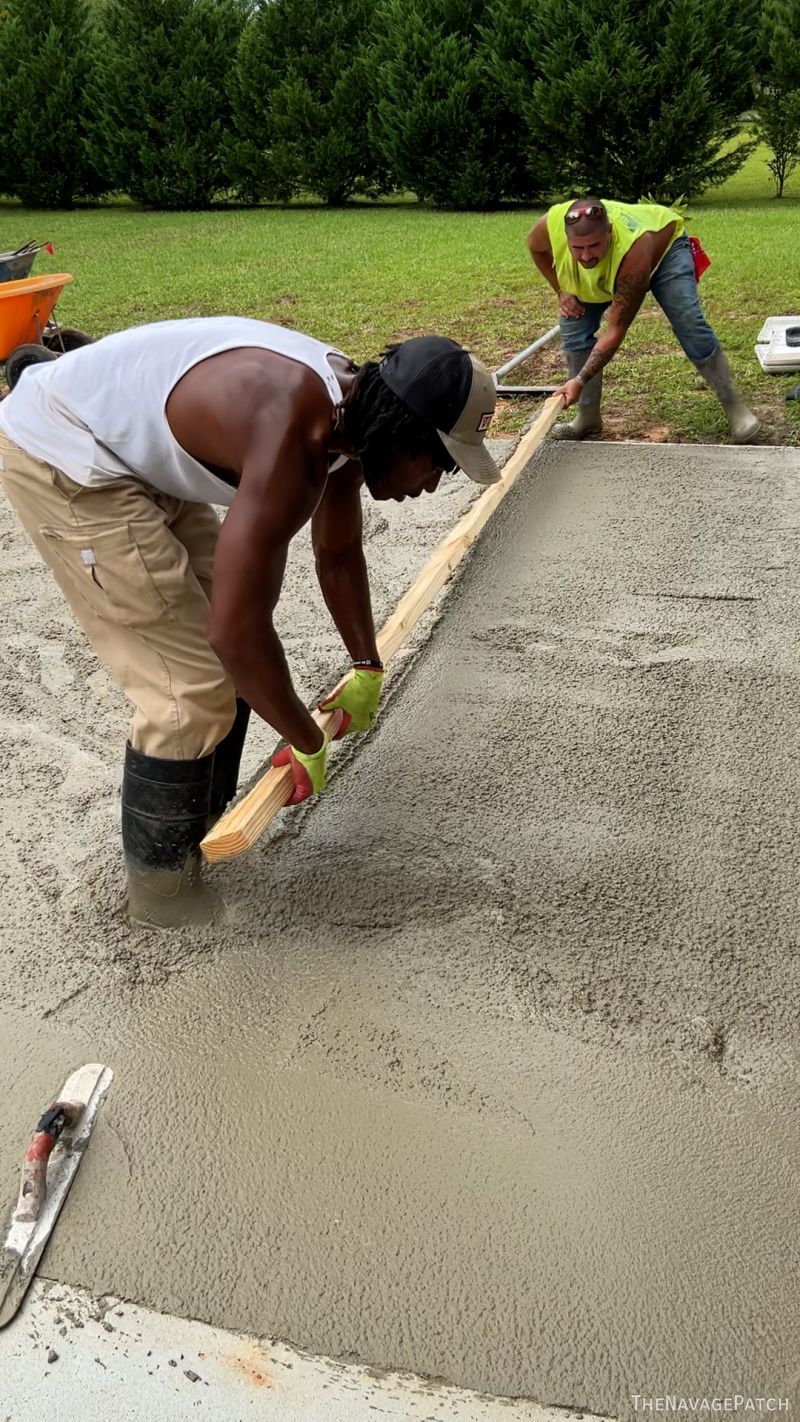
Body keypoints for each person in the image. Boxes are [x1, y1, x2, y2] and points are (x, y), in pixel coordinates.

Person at [0, 318, 501, 928]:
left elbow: (338, 554)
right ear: (405, 433)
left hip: (130, 452)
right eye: (439, 464)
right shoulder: (295, 437)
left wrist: (367, 664)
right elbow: (236, 636)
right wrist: (306, 741)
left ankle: (205, 830)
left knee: (227, 668)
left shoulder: (353, 417)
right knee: (187, 690)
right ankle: (162, 899)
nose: (431, 485)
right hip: (66, 453)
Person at [527, 197, 760, 444]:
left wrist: (580, 379)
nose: (585, 256)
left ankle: (734, 405)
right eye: (577, 248)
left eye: (594, 245)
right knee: (574, 327)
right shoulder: (551, 224)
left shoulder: (634, 251)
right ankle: (587, 416)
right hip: (610, 268)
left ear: (610, 232)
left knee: (688, 321)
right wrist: (561, 291)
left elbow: (616, 329)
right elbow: (536, 249)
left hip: (664, 252)